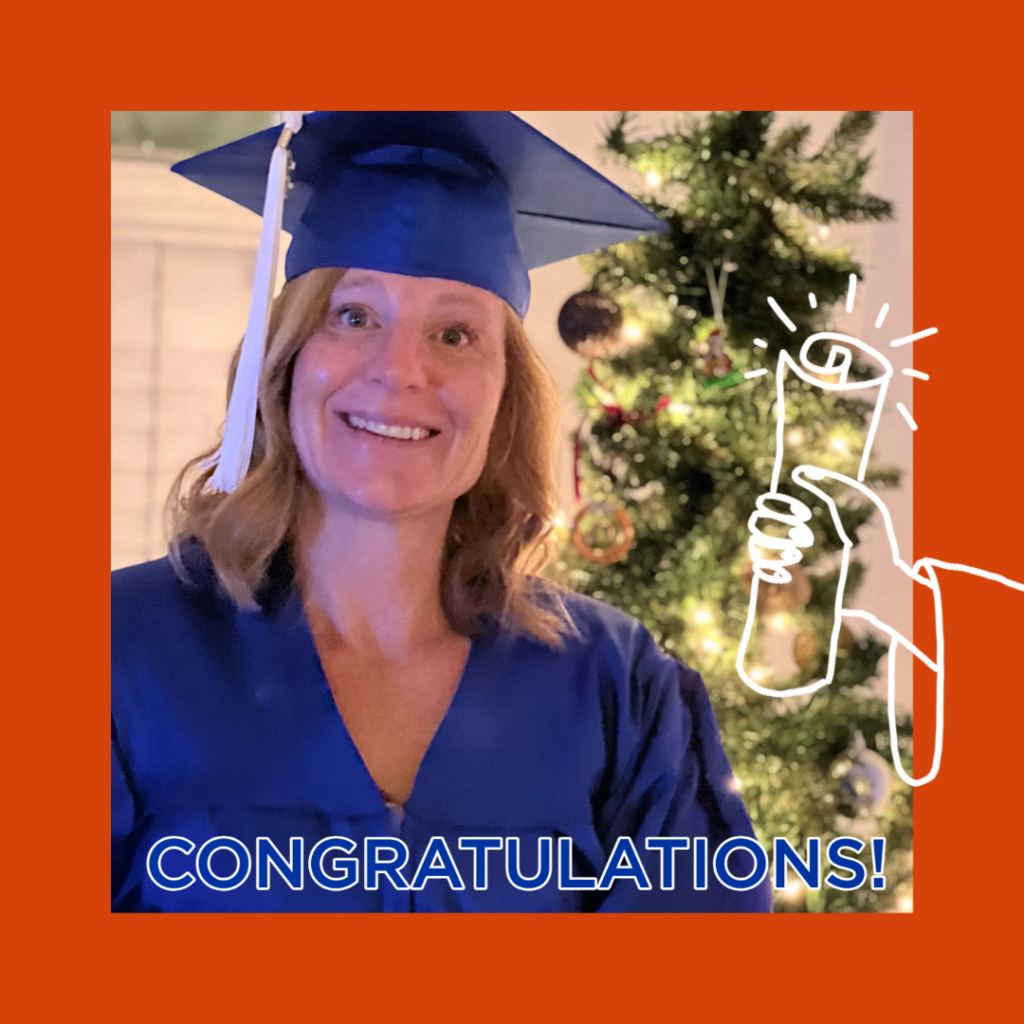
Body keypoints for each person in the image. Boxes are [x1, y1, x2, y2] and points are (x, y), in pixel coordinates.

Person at [111, 110, 772, 912]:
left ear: (504, 396)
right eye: (353, 316)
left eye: (456, 334)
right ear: (286, 363)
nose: (400, 372)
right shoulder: (120, 653)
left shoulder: (613, 686)